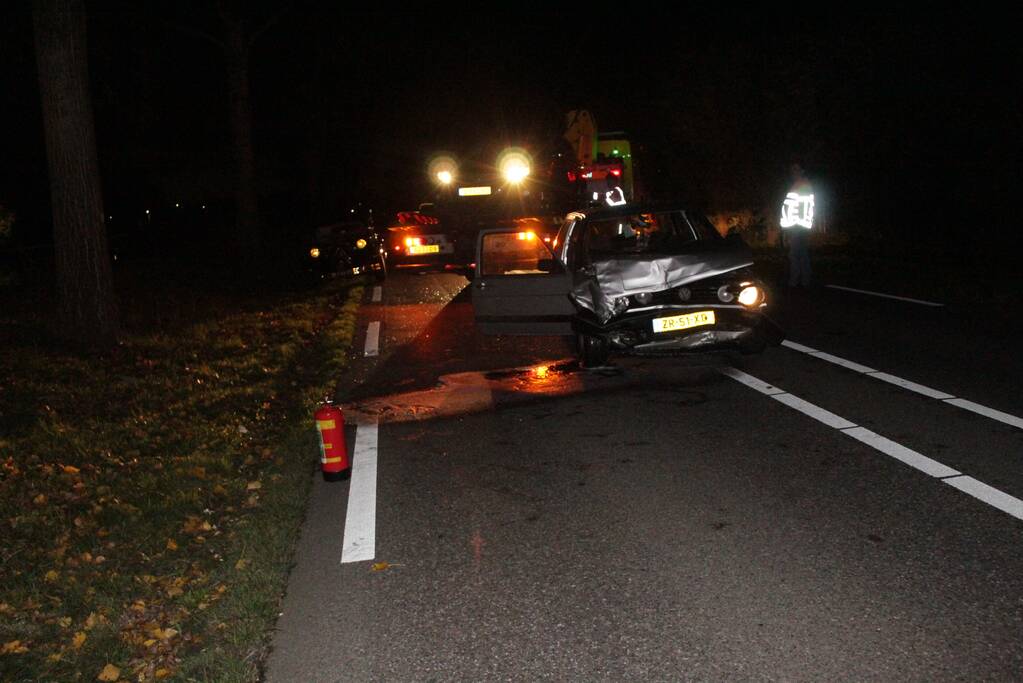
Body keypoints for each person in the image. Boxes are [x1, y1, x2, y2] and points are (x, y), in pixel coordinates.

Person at [780, 162, 815, 287]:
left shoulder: (802, 185)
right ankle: (803, 280)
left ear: (802, 171)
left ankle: (796, 281)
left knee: (795, 254)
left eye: (796, 169)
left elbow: (801, 207)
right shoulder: (798, 185)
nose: (793, 172)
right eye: (792, 169)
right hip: (797, 226)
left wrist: (791, 225)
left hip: (798, 226)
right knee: (800, 253)